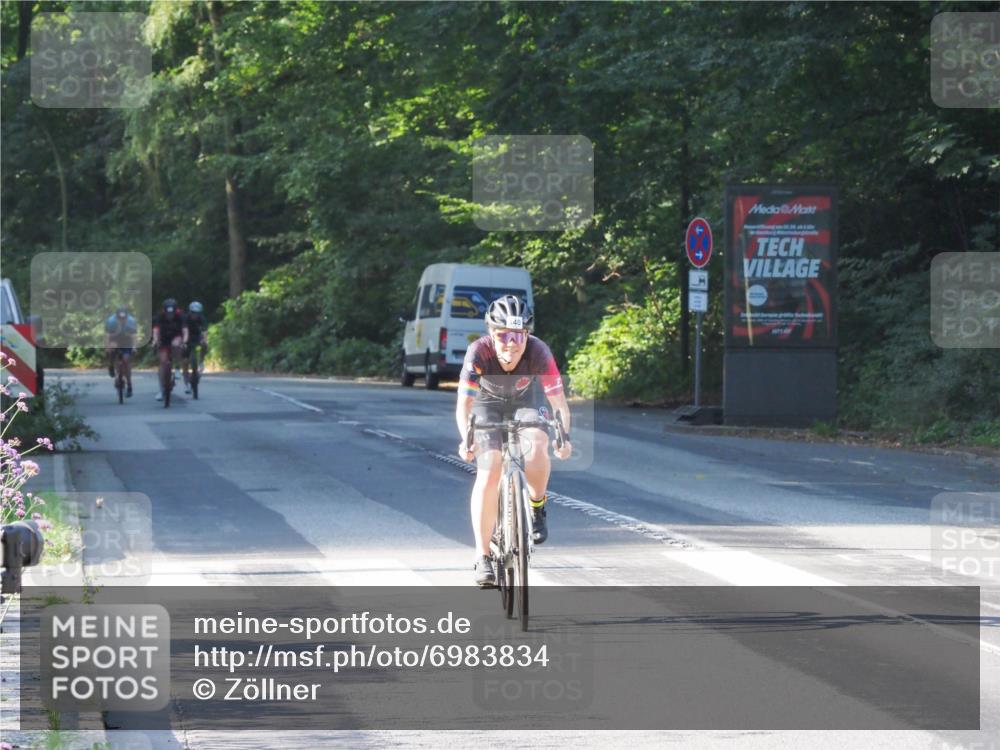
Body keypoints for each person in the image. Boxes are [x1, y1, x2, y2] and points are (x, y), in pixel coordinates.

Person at [455, 295, 572, 587]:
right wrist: (465, 439)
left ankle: (537, 505)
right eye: (504, 335)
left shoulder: (539, 352)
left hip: (525, 400)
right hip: (486, 404)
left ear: (527, 335)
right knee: (490, 467)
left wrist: (564, 437)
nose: (512, 342)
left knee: (536, 444)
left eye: (519, 335)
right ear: (491, 335)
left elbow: (559, 404)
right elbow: (464, 405)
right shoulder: (478, 352)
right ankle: (483, 557)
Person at [152, 298, 188, 401]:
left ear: (175, 311)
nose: (170, 316)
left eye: (172, 313)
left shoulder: (181, 316)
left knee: (176, 344)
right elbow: (156, 331)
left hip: (176, 337)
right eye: (168, 313)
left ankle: (177, 367)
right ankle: (161, 389)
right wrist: (155, 341)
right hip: (163, 339)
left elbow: (185, 331)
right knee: (163, 363)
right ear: (164, 311)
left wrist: (184, 342)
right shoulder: (159, 317)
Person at [105, 306, 137, 397]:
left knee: (126, 360)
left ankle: (129, 384)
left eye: (124, 318)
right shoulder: (111, 321)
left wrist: (134, 347)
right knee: (111, 350)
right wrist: (108, 347)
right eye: (120, 318)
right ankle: (111, 365)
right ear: (116, 317)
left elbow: (134, 335)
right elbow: (107, 335)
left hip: (126, 340)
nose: (122, 320)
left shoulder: (131, 321)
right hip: (115, 339)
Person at [182, 301, 208, 394]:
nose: (195, 315)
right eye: (193, 313)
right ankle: (186, 381)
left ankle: (201, 361)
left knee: (205, 344)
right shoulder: (185, 318)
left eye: (197, 313)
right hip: (187, 337)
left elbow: (204, 331)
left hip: (197, 337)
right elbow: (184, 331)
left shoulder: (202, 319)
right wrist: (184, 342)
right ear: (190, 312)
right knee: (185, 361)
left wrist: (204, 340)